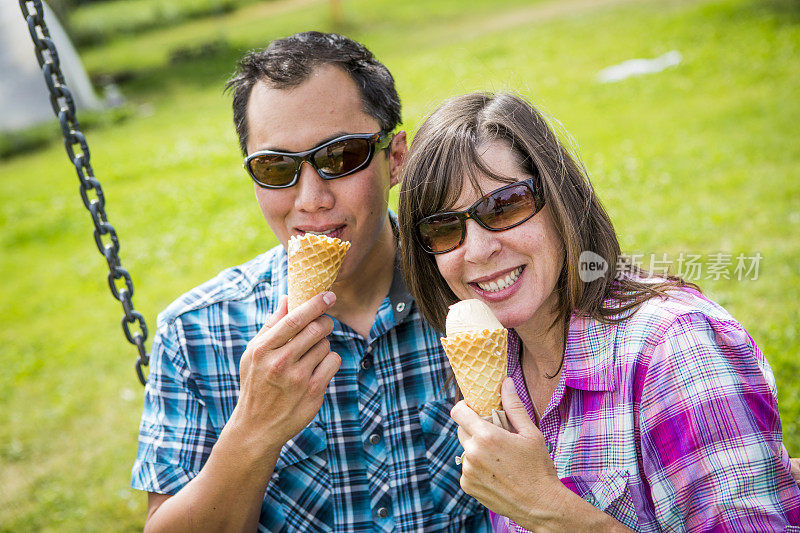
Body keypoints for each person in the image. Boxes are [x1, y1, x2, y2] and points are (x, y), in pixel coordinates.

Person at [131, 32, 490, 531]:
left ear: (397, 157)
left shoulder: (479, 290)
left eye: (341, 157)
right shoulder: (195, 334)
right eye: (276, 168)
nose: (311, 199)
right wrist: (255, 428)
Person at [398, 91, 800, 531]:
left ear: (560, 197)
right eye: (442, 228)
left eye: (504, 205)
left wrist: (555, 512)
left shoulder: (674, 349)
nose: (477, 250)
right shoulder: (501, 362)